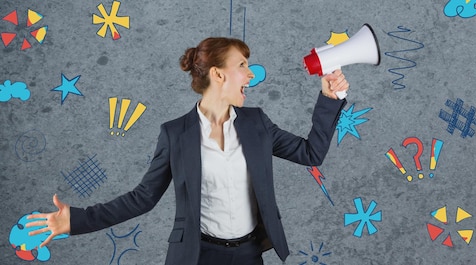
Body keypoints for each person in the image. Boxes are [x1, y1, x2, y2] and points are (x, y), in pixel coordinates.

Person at [26, 37, 349, 265]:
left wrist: (329, 99)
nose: (250, 74)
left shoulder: (257, 123)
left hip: (250, 254)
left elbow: (310, 154)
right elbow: (143, 197)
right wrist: (78, 220)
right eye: (242, 65)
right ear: (218, 74)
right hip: (197, 256)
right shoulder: (175, 134)